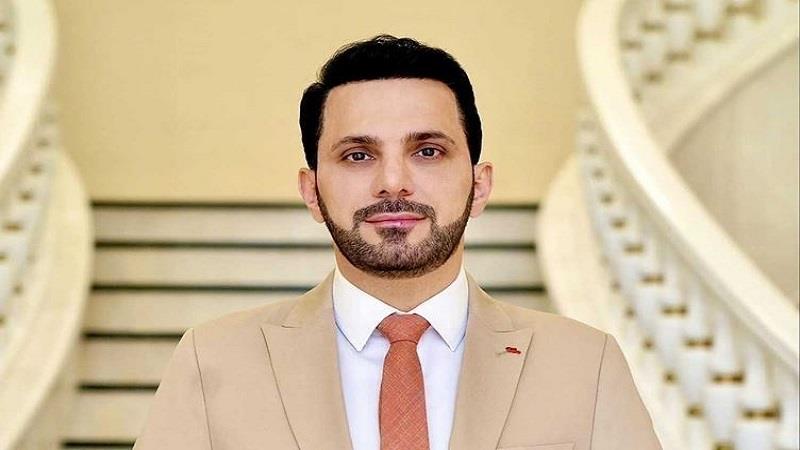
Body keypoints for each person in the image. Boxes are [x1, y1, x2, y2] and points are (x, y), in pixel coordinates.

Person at [134, 35, 661, 450]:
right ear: (311, 192)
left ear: (479, 185)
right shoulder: (213, 361)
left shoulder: (585, 364)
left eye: (427, 151)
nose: (392, 182)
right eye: (357, 155)